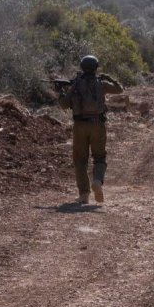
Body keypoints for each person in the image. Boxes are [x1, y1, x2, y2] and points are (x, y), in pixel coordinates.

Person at [58, 55, 124, 205]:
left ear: (82, 67)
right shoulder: (102, 83)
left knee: (80, 160)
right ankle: (97, 181)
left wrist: (61, 92)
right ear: (96, 67)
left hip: (79, 126)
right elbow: (119, 89)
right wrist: (109, 77)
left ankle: (84, 194)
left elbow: (63, 105)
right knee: (99, 158)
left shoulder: (76, 84)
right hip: (98, 125)